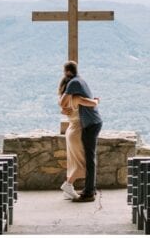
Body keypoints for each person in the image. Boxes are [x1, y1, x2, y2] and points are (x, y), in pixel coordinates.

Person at [59, 60, 102, 203]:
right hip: (80, 128)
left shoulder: (67, 103)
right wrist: (96, 101)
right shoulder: (76, 97)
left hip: (73, 129)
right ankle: (79, 189)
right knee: (85, 161)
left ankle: (72, 188)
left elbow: (62, 106)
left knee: (77, 161)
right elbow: (92, 103)